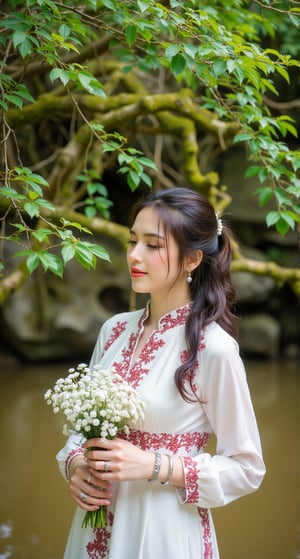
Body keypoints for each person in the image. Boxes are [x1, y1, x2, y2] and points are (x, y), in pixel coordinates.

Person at [56, 187, 266, 559]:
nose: (134, 255)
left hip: (163, 532)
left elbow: (247, 469)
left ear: (192, 260)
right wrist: (75, 465)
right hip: (94, 527)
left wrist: (153, 465)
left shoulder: (212, 349)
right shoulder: (114, 330)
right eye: (132, 241)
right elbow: (80, 430)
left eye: (153, 245)